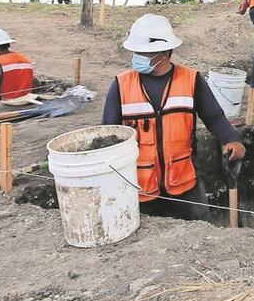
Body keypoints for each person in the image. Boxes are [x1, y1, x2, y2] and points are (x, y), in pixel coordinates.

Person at [101, 14, 245, 219]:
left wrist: (231, 139)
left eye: (142, 52)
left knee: (200, 235)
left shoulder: (191, 80)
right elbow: (107, 134)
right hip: (138, 186)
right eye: (136, 52)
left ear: (163, 53)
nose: (136, 57)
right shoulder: (121, 85)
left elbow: (213, 117)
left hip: (185, 183)